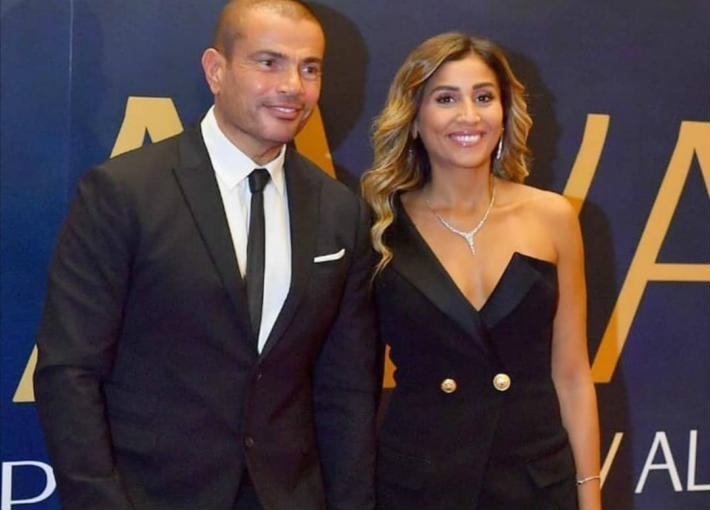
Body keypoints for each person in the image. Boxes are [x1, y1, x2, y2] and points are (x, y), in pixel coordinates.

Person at [33, 1, 378, 509]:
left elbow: (346, 388)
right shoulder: (124, 193)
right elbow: (68, 372)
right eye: (269, 62)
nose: (293, 86)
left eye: (310, 68)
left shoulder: (340, 211)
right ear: (216, 70)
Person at [361, 32, 601, 510]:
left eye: (484, 97)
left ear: (505, 112)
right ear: (414, 118)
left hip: (537, 486)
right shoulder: (378, 228)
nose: (469, 116)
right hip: (421, 488)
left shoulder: (552, 217)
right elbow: (351, 384)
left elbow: (572, 375)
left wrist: (589, 495)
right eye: (446, 98)